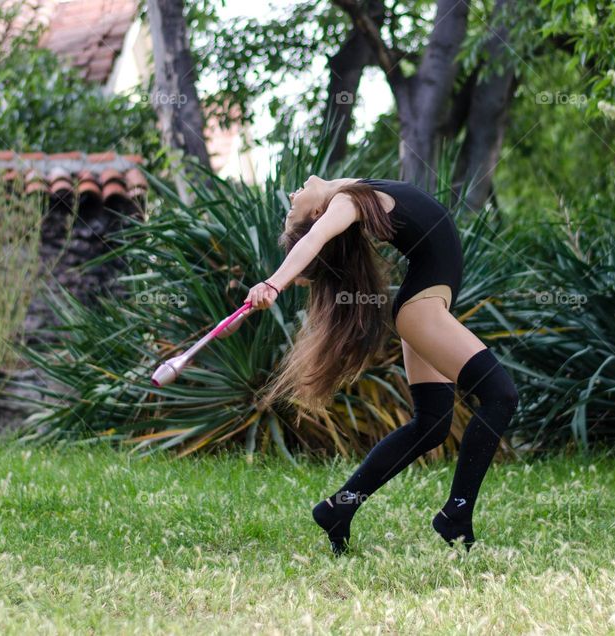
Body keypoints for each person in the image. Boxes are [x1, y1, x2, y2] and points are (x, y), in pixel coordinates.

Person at [222, 175, 519, 555]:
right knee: (500, 395)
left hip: (427, 304)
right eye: (292, 210)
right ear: (318, 212)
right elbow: (313, 239)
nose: (292, 196)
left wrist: (297, 271)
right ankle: (456, 516)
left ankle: (338, 509)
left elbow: (317, 242)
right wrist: (274, 283)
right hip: (422, 310)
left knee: (432, 426)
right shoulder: (344, 201)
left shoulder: (353, 188)